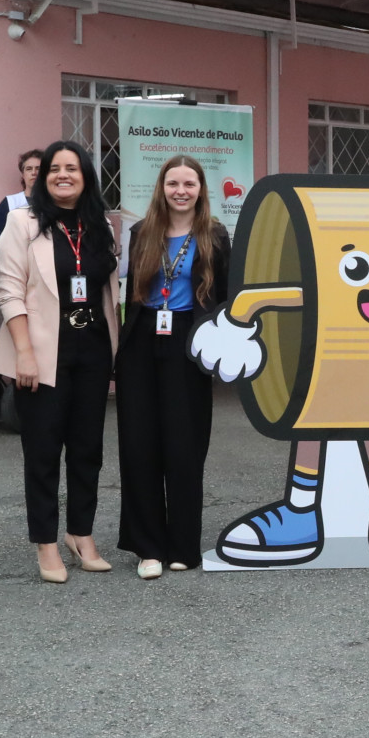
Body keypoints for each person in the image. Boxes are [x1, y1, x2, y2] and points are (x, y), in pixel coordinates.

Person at [0, 140, 122, 584]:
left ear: (86, 177)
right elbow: (9, 290)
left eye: (72, 168)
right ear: (42, 177)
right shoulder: (21, 222)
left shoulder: (99, 224)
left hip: (93, 349)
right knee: (43, 452)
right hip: (43, 352)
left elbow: (106, 289)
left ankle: (80, 534)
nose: (62, 174)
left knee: (88, 450)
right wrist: (23, 352)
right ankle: (46, 543)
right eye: (54, 169)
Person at [115, 156, 231, 578]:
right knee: (140, 445)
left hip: (189, 341)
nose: (180, 191)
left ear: (201, 189)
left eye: (189, 183)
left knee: (184, 448)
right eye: (172, 183)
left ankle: (183, 545)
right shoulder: (141, 233)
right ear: (161, 188)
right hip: (143, 340)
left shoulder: (214, 236)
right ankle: (148, 548)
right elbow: (132, 295)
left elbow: (226, 297)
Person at [0, 149, 42, 249]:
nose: (34, 172)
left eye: (38, 168)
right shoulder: (10, 202)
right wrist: (17, 240)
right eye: (29, 169)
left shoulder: (56, 202)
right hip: (18, 261)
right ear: (23, 174)